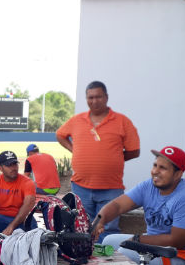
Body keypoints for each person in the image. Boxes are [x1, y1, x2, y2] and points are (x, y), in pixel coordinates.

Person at [93, 146, 185, 265]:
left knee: (125, 252)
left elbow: (176, 241)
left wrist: (137, 240)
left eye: (163, 168)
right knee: (108, 241)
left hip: (181, 259)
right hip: (155, 250)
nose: (155, 171)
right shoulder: (149, 186)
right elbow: (117, 206)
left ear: (178, 174)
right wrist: (99, 220)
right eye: (155, 165)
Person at [56, 81, 140, 241]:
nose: (94, 101)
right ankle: (84, 260)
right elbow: (60, 135)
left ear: (106, 97)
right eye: (91, 97)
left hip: (111, 189)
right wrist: (75, 150)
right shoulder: (76, 120)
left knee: (108, 229)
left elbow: (134, 151)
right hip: (81, 187)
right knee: (81, 227)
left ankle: (106, 264)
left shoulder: (122, 121)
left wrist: (113, 159)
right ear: (86, 98)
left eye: (99, 97)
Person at [0, 151, 37, 235]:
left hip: (21, 220)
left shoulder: (27, 183)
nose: (13, 168)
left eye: (15, 164)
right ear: (0, 168)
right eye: (9, 165)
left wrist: (11, 226)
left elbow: (27, 207)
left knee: (30, 222)